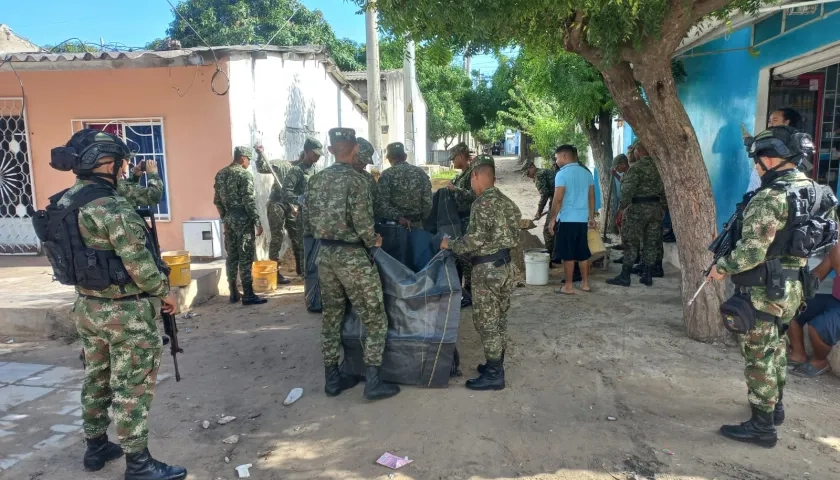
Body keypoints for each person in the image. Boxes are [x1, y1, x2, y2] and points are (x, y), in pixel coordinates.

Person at [47, 129, 186, 479]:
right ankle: (139, 465)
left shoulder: (66, 200)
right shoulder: (111, 206)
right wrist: (164, 293)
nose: (124, 169)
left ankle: (95, 448)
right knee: (132, 387)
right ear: (104, 163)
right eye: (121, 163)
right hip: (124, 313)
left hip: (88, 308)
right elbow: (138, 261)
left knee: (96, 377)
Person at [708, 126, 837, 448]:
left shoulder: (770, 198)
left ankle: (761, 427)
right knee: (776, 344)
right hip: (796, 285)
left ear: (769, 159)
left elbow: (752, 251)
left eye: (757, 161)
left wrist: (721, 268)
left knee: (759, 356)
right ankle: (774, 406)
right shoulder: (820, 194)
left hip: (764, 288)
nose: (755, 167)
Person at [305, 127, 400, 401]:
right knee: (375, 317)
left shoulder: (316, 180)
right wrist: (374, 241)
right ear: (356, 149)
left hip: (325, 256)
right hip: (352, 257)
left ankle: (332, 379)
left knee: (331, 317)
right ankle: (373, 382)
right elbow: (363, 223)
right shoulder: (358, 181)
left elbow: (309, 223)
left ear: (331, 150)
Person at [441, 155, 520, 390]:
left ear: (475, 176)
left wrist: (450, 244)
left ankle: (495, 375)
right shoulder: (507, 202)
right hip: (505, 266)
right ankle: (495, 363)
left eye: (471, 181)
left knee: (486, 322)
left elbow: (473, 241)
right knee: (500, 319)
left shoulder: (482, 202)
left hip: (487, 270)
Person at [214, 146, 268, 306]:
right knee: (245, 256)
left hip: (229, 217)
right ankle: (248, 294)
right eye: (249, 160)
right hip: (243, 218)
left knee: (232, 256)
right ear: (243, 158)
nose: (249, 163)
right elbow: (249, 201)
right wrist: (257, 221)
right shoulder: (244, 175)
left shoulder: (221, 174)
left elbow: (217, 200)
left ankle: (233, 292)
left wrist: (225, 216)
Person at [607, 143, 666, 287]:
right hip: (656, 209)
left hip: (638, 210)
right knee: (651, 243)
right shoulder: (660, 167)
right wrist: (663, 207)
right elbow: (665, 189)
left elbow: (627, 191)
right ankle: (648, 275)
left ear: (639, 151)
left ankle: (625, 276)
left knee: (631, 243)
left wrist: (621, 209)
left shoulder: (636, 168)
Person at [788, 241, 840, 378]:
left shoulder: (837, 248)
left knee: (818, 327)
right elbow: (817, 274)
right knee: (791, 306)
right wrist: (797, 289)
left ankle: (820, 361)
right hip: (835, 299)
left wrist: (837, 244)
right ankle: (798, 354)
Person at [548, 145, 595, 294]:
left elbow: (558, 198)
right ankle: (585, 284)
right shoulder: (586, 173)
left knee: (568, 255)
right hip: (582, 220)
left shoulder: (561, 174)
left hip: (567, 220)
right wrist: (591, 217)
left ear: (564, 157)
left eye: (557, 158)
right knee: (583, 253)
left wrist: (552, 218)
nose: (556, 161)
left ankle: (568, 286)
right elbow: (591, 197)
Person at [254, 143, 294, 284]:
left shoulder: (306, 170)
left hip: (293, 204)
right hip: (277, 203)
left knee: (297, 235)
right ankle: (275, 272)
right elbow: (262, 167)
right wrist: (260, 154)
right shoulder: (281, 165)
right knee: (277, 237)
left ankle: (302, 269)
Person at [282, 138, 322, 276]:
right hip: (304, 217)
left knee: (317, 248)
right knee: (305, 248)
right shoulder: (297, 171)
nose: (317, 156)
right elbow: (285, 192)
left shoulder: (316, 170)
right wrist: (299, 200)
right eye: (314, 153)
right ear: (306, 151)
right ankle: (307, 279)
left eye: (319, 153)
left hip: (318, 217)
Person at [374, 142, 433, 228]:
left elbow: (381, 205)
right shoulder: (420, 173)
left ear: (389, 158)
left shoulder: (387, 175)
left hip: (394, 226)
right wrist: (422, 219)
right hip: (417, 224)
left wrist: (398, 217)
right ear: (405, 157)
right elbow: (428, 202)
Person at [448, 142, 478, 308]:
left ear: (461, 157)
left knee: (466, 257)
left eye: (453, 158)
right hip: (459, 220)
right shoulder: (461, 175)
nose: (452, 161)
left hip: (467, 220)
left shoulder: (471, 174)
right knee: (459, 257)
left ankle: (470, 293)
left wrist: (456, 190)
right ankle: (463, 291)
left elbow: (475, 194)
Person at [522, 158, 556, 254]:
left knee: (548, 230)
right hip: (558, 199)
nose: (528, 175)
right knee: (556, 228)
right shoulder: (544, 171)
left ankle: (549, 258)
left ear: (532, 167)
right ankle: (556, 255)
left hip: (558, 200)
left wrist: (539, 212)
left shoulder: (539, 175)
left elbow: (544, 194)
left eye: (527, 172)